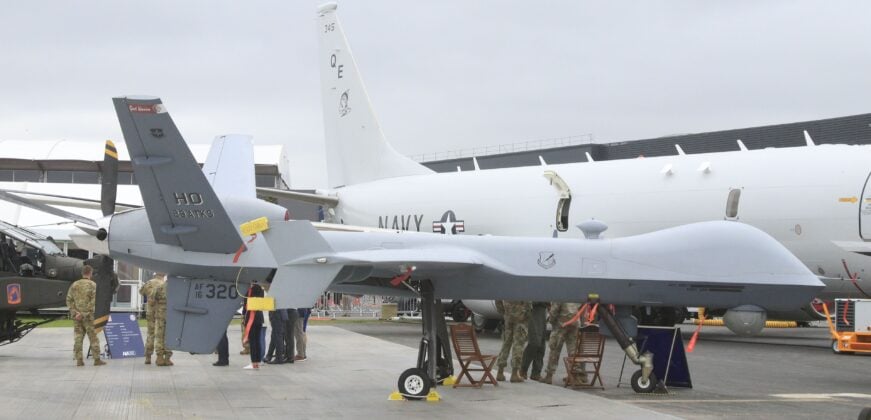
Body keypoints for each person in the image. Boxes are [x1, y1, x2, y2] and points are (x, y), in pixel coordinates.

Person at [66, 265, 106, 367]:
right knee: (93, 338)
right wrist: (84, 314)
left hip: (77, 317)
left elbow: (69, 300)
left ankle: (79, 360)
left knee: (78, 338)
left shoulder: (74, 285)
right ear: (90, 273)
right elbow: (94, 302)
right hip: (89, 317)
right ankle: (97, 360)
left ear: (82, 273)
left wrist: (75, 313)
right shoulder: (93, 285)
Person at [541, 301, 582, 384]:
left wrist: (552, 321)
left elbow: (555, 309)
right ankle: (575, 376)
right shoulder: (577, 291)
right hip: (574, 322)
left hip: (561, 324)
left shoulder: (561, 291)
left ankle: (549, 376)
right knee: (573, 351)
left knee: (555, 350)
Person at [496, 300, 531, 382]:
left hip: (508, 317)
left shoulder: (506, 287)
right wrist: (527, 315)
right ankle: (514, 374)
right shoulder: (522, 287)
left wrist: (504, 313)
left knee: (506, 343)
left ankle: (500, 372)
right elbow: (528, 302)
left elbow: (498, 300)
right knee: (518, 345)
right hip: (520, 318)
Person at [139, 273, 166, 365]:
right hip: (161, 312)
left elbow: (141, 292)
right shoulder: (164, 284)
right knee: (160, 334)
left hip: (150, 312)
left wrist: (150, 297)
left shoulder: (149, 283)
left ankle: (148, 357)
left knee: (150, 334)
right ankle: (160, 357)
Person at [520, 302, 548, 380]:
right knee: (534, 342)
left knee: (541, 345)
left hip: (543, 311)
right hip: (533, 311)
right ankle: (523, 369)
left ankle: (536, 373)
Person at [242, 282, 264, 369]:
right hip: (259, 317)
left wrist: (244, 315)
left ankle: (254, 362)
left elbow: (246, 304)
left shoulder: (251, 289)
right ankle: (257, 362)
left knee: (253, 342)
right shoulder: (260, 288)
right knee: (257, 341)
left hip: (252, 317)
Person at [152, 276, 173, 366]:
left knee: (159, 335)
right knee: (170, 335)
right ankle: (168, 358)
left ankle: (159, 358)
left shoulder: (160, 287)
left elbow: (153, 299)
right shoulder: (177, 288)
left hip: (161, 314)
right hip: (172, 315)